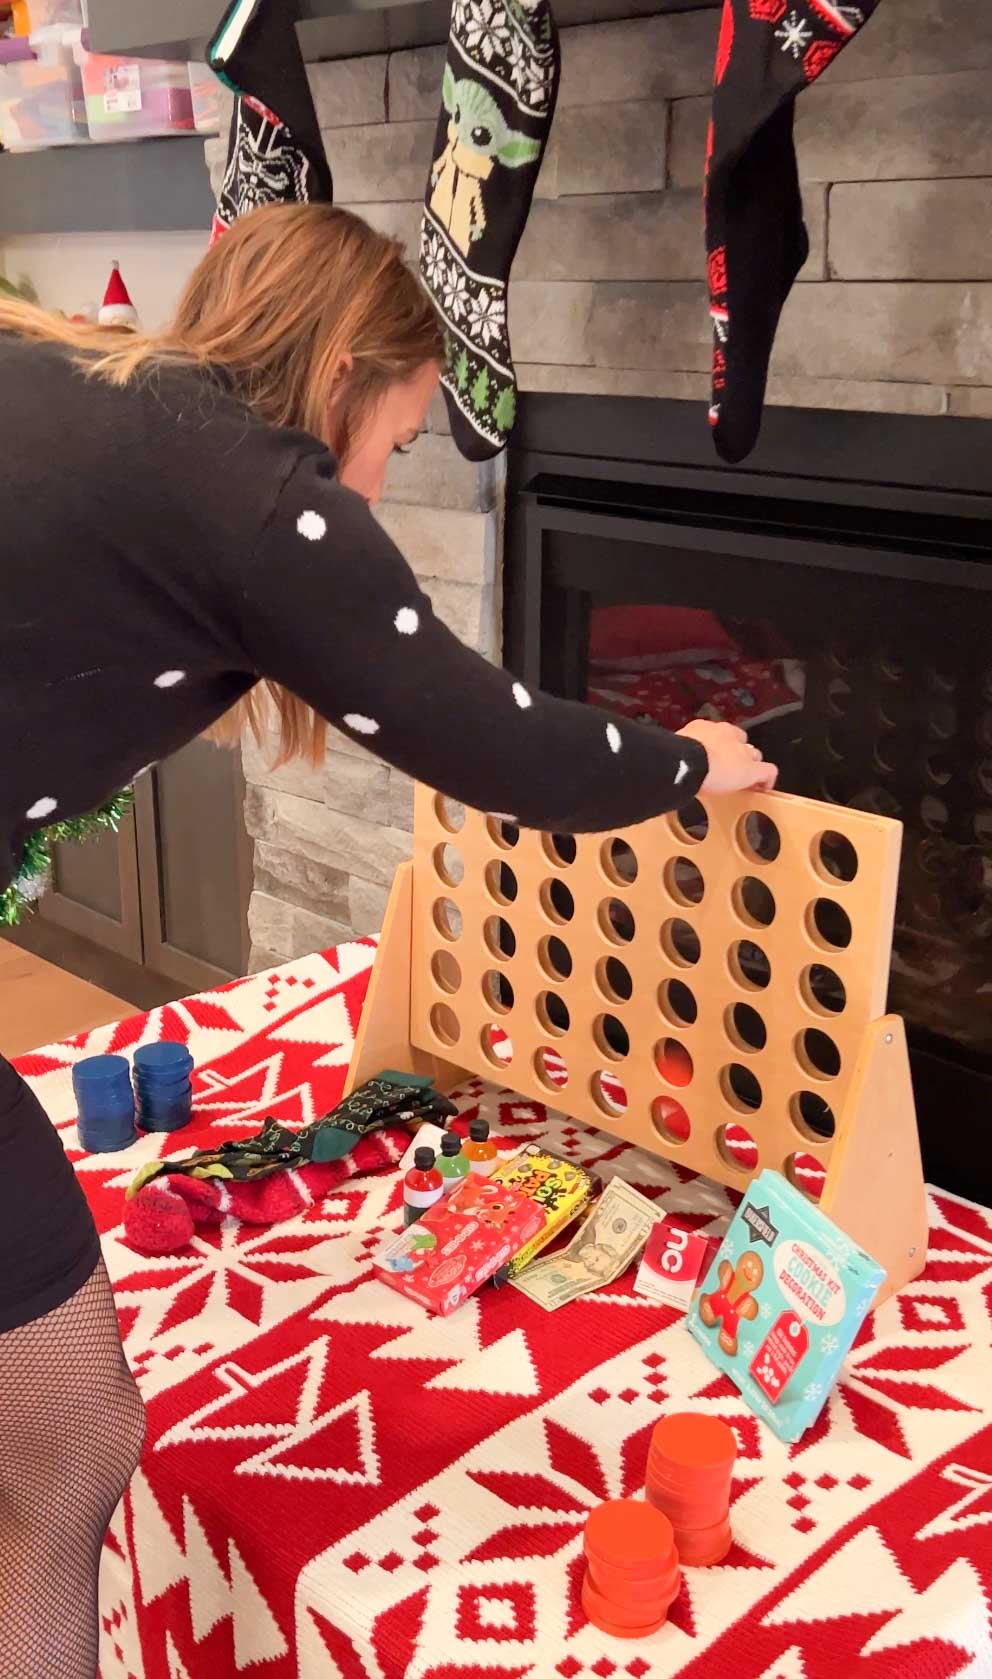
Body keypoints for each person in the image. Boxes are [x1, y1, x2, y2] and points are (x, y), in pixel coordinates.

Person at [0, 201, 776, 1678]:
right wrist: (696, 763)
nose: (375, 477)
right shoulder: (249, 494)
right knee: (72, 1430)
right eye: (401, 436)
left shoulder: (87, 382)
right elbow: (504, 747)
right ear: (348, 366)